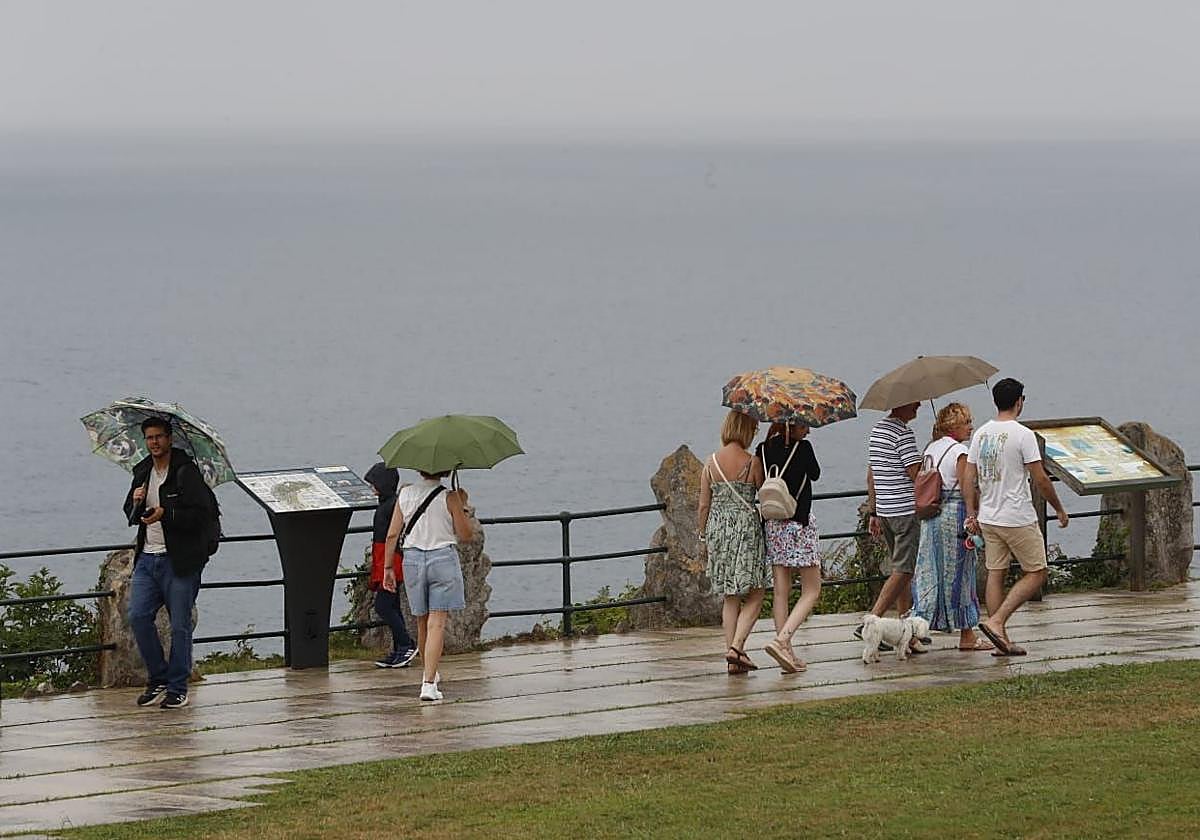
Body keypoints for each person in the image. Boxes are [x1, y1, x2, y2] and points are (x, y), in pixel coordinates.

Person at [964, 378, 1069, 656]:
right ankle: (997, 622)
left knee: (995, 574)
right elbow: (1041, 479)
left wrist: (972, 511)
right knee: (1037, 572)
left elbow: (968, 477)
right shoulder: (1023, 435)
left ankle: (1002, 640)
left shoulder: (981, 434)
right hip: (1017, 515)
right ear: (1019, 401)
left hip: (989, 515)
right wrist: (1058, 507)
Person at [122, 417, 213, 709]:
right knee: (137, 616)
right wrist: (135, 502)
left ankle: (177, 686)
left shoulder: (187, 473)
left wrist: (167, 513)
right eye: (149, 438)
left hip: (180, 561)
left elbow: (202, 515)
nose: (154, 443)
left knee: (179, 626)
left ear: (170, 438)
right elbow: (131, 515)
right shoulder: (143, 472)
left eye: (159, 437)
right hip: (147, 559)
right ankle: (158, 678)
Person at [383, 469, 475, 701]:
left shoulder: (405, 494)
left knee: (422, 621)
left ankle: (429, 674)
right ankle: (428, 683)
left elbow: (392, 534)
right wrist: (462, 507)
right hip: (442, 558)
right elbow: (465, 535)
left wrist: (387, 568)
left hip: (412, 559)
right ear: (445, 471)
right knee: (437, 623)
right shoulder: (450, 497)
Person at [910, 403, 990, 651]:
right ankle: (967, 634)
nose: (970, 427)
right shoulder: (959, 451)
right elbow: (967, 484)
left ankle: (914, 630)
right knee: (961, 572)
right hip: (954, 514)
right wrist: (972, 513)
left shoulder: (930, 448)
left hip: (932, 514)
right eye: (967, 422)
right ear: (954, 426)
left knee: (929, 572)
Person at [697, 410, 767, 674]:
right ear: (746, 430)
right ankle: (736, 647)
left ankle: (732, 655)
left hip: (718, 529)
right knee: (757, 590)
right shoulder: (753, 461)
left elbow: (704, 505)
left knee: (730, 594)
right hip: (746, 528)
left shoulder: (710, 462)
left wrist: (703, 534)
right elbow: (764, 494)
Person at [755, 422, 822, 673]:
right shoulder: (803, 448)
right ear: (792, 426)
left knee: (781, 592)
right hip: (799, 524)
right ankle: (782, 641)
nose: (809, 430)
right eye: (805, 425)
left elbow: (760, 483)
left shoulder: (762, 449)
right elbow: (814, 473)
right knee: (812, 589)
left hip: (774, 525)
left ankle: (789, 655)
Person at [860, 402, 924, 647]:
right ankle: (872, 621)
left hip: (886, 510)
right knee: (904, 570)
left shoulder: (877, 431)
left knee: (902, 572)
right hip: (905, 510)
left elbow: (872, 473)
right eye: (914, 401)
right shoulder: (903, 433)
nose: (918, 404)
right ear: (903, 404)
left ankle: (904, 630)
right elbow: (914, 473)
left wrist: (874, 511)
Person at [364, 462, 418, 669]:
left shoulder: (390, 506)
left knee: (383, 606)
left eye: (375, 483)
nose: (372, 487)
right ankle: (399, 649)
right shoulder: (388, 503)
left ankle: (406, 644)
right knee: (392, 604)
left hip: (391, 559)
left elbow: (392, 535)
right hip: (386, 558)